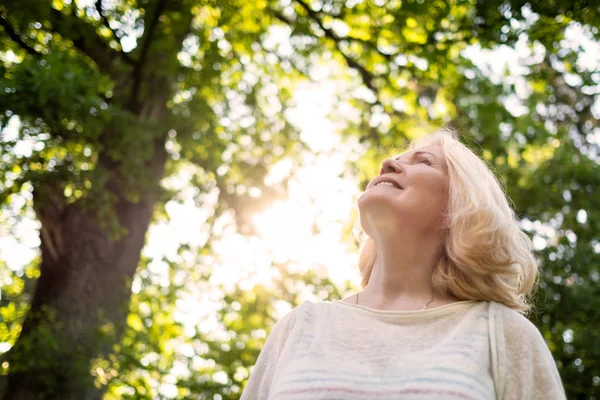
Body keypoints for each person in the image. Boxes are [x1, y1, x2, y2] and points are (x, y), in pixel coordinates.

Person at [240, 128, 566, 400]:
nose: (387, 164)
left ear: (463, 204)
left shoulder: (502, 333)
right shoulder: (301, 326)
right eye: (394, 159)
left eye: (423, 161)